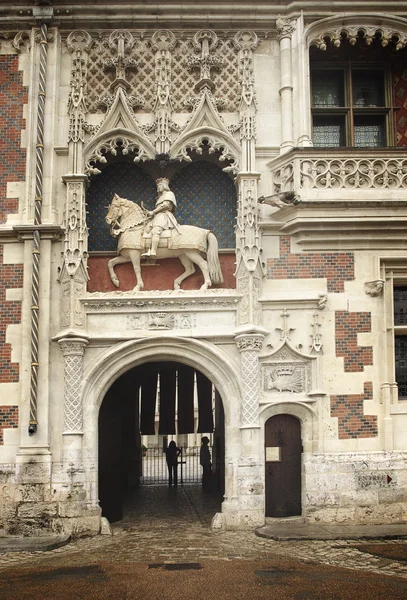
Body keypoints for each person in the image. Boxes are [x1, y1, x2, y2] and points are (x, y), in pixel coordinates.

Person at [143, 178, 180, 257]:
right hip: (157, 216)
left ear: (164, 186)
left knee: (156, 230)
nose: (158, 187)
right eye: (158, 186)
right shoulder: (160, 197)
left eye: (160, 185)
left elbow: (166, 205)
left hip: (164, 216)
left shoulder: (169, 194)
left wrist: (153, 212)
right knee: (145, 230)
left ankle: (153, 251)